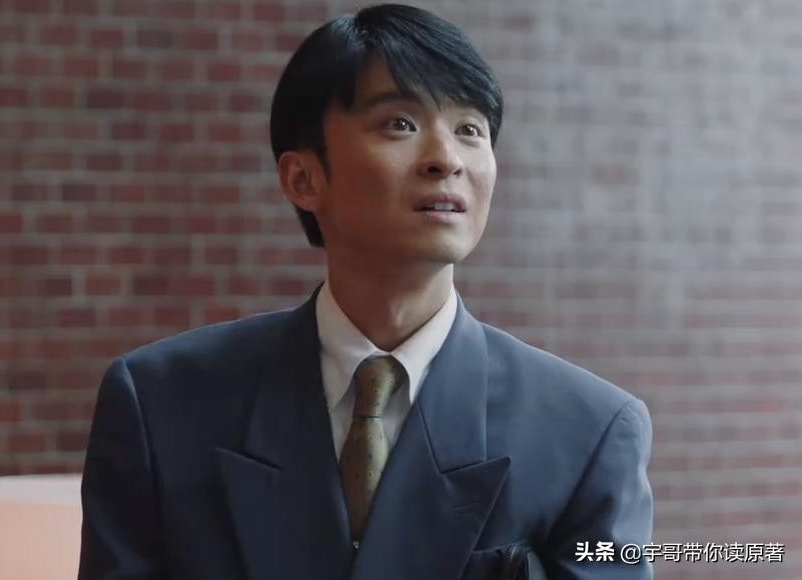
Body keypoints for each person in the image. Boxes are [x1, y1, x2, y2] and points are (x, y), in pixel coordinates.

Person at [77, 4, 653, 580]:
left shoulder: (589, 432)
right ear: (303, 178)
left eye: (469, 130)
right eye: (400, 123)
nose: (446, 159)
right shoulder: (161, 404)